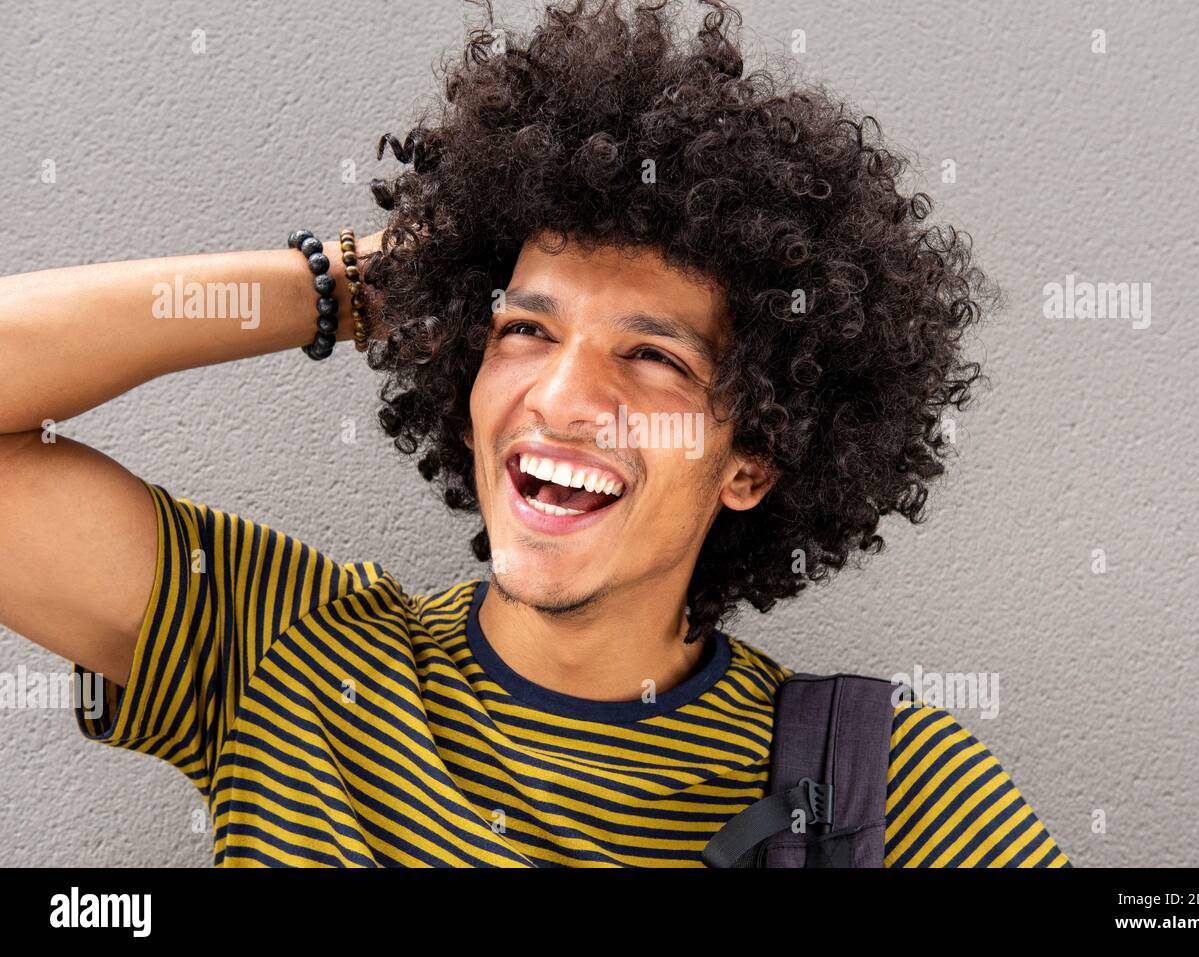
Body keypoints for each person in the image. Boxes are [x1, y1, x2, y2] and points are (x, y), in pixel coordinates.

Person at [0, 0, 1069, 867]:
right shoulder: (281, 651)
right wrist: (355, 283)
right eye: (522, 330)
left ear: (752, 460)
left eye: (649, 356)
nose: (559, 398)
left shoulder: (886, 793)